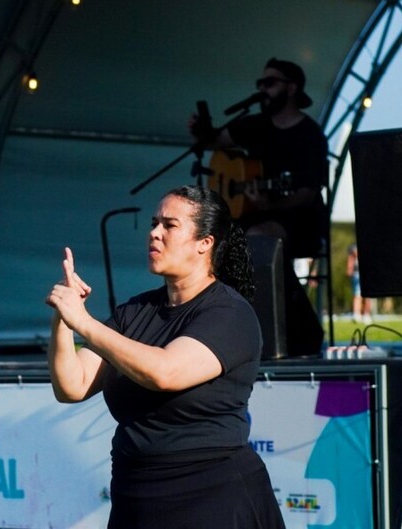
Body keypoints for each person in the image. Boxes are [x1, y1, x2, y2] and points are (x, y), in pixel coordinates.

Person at [45, 185, 285, 528]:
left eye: (169, 225)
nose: (154, 233)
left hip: (213, 501)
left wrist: (84, 321)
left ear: (205, 243)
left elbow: (165, 372)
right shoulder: (135, 312)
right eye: (154, 223)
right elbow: (72, 386)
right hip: (137, 499)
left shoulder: (230, 313)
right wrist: (63, 318)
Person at [189, 57, 329, 356]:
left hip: (299, 219)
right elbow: (216, 143)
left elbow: (307, 192)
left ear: (291, 88)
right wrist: (203, 132)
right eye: (259, 84)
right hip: (254, 216)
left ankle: (300, 333)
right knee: (213, 244)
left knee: (259, 243)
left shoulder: (309, 134)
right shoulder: (257, 125)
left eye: (269, 83)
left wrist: (273, 202)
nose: (262, 88)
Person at [346, 243, 372, 324]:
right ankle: (357, 314)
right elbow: (351, 258)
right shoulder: (353, 247)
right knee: (357, 295)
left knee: (367, 296)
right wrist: (349, 269)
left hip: (366, 273)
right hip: (357, 273)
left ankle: (366, 315)